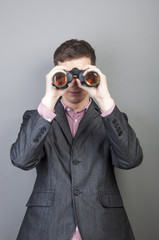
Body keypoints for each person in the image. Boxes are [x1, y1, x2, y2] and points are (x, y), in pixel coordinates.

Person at [10, 39, 143, 240]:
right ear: (55, 74)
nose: (74, 83)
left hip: (103, 226)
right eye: (65, 74)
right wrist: (49, 100)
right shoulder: (36, 117)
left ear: (93, 73)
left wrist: (105, 100)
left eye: (81, 74)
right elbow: (21, 160)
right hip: (47, 226)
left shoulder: (111, 117)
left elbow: (131, 160)